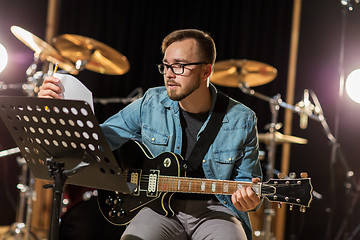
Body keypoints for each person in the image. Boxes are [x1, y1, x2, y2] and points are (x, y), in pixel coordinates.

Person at [38, 29, 262, 240]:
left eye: (180, 66)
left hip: (214, 209)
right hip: (158, 208)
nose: (169, 75)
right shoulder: (150, 103)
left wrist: (248, 200)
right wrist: (54, 112)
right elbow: (98, 142)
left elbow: (246, 184)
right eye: (165, 66)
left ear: (206, 71)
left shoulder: (242, 119)